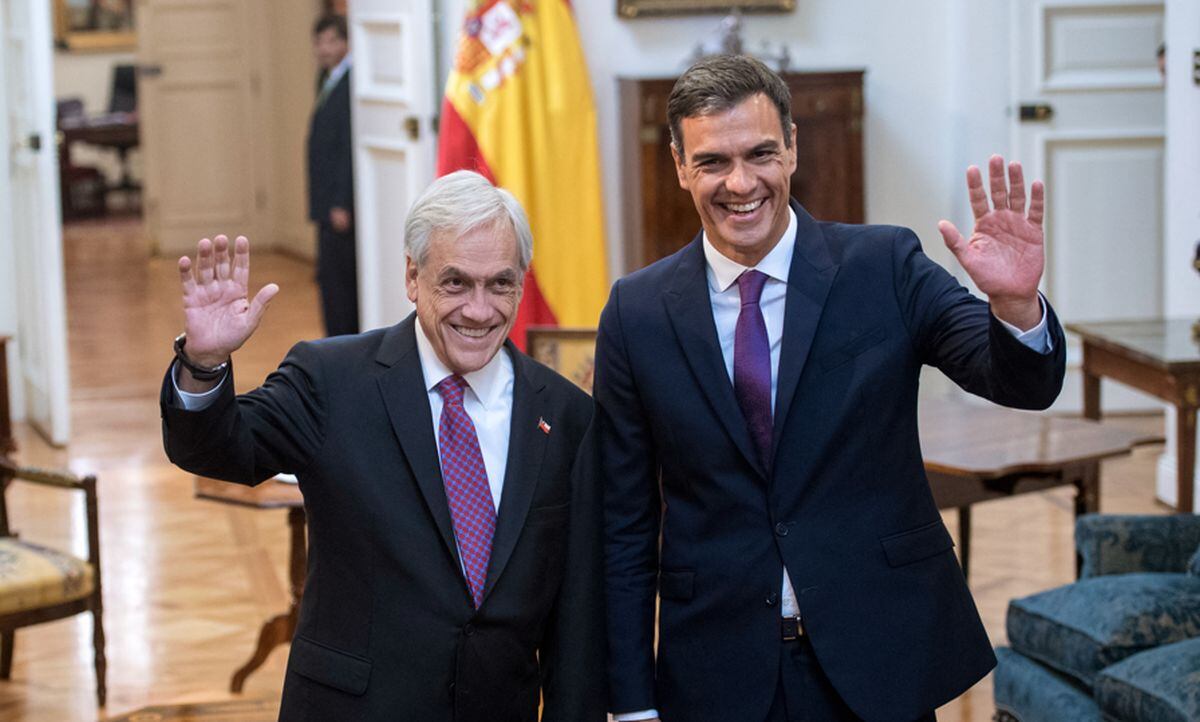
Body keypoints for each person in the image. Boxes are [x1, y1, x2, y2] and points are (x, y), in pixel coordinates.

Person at [595, 54, 1066, 722]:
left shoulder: (883, 264)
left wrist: (1015, 307)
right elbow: (624, 523)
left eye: (760, 153)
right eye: (713, 162)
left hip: (879, 659)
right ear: (679, 166)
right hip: (716, 671)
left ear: (792, 147)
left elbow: (1017, 380)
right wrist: (632, 705)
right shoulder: (636, 312)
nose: (740, 183)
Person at [160, 171, 605, 721]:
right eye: (456, 283)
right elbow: (218, 449)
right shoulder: (331, 379)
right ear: (413, 276)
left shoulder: (566, 416)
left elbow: (576, 623)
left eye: (500, 284)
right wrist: (204, 364)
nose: (479, 310)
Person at [308, 14, 358, 336]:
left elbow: (347, 146)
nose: (324, 49)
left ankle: (342, 339)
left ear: (346, 42)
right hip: (324, 201)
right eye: (319, 42)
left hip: (338, 203)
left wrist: (342, 200)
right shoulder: (325, 78)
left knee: (341, 283)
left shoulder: (351, 83)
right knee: (328, 279)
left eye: (331, 41)